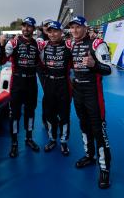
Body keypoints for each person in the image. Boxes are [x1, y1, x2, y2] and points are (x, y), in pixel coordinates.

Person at [68, 16, 112, 189]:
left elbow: (108, 69)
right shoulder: (71, 44)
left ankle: (105, 169)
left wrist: (94, 65)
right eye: (72, 27)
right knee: (84, 126)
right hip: (78, 92)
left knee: (98, 130)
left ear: (85, 27)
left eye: (77, 27)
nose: (74, 31)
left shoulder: (97, 44)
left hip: (93, 94)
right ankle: (89, 155)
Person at [0, 17, 42, 158]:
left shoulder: (38, 44)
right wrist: (1, 45)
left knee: (30, 112)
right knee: (15, 114)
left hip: (31, 83)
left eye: (29, 26)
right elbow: (1, 61)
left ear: (33, 29)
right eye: (24, 26)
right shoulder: (14, 42)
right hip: (17, 83)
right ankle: (14, 143)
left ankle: (29, 138)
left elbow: (42, 63)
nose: (26, 29)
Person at [38, 21, 72, 156]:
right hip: (49, 84)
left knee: (64, 115)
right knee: (49, 114)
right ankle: (52, 139)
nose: (52, 34)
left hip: (64, 84)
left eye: (55, 31)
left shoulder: (69, 45)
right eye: (50, 31)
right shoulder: (43, 46)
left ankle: (64, 141)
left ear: (61, 32)